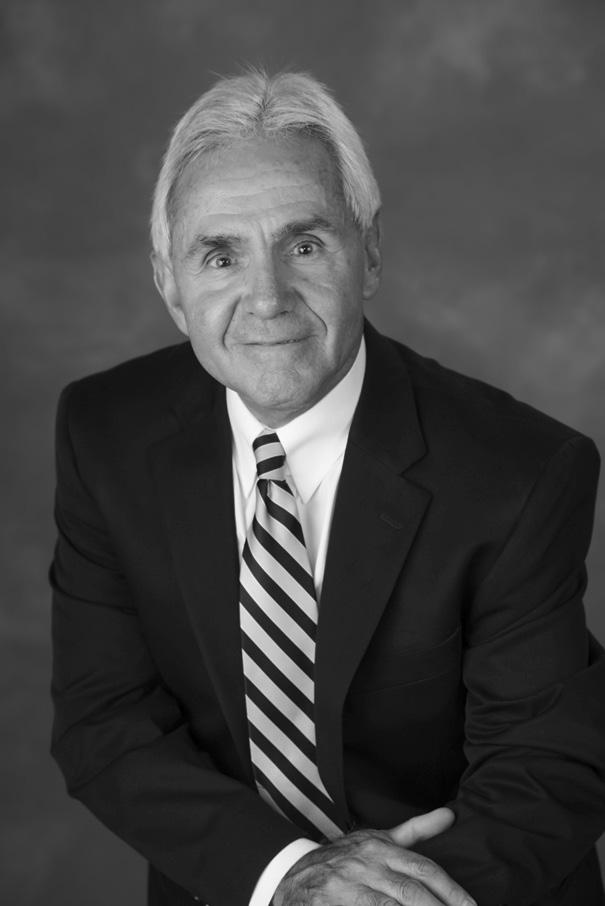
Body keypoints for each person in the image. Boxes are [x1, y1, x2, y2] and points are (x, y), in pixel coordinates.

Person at [50, 69, 605, 906]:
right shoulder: (105, 433)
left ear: (368, 252)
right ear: (169, 283)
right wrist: (285, 877)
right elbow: (106, 721)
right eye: (220, 256)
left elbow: (543, 763)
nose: (266, 299)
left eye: (304, 246)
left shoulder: (519, 471)